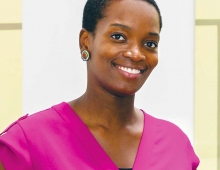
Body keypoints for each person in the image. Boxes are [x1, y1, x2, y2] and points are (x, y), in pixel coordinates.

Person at [0, 0, 200, 169]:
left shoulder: (175, 143)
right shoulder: (28, 142)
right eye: (118, 37)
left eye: (150, 44)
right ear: (86, 42)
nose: (136, 54)